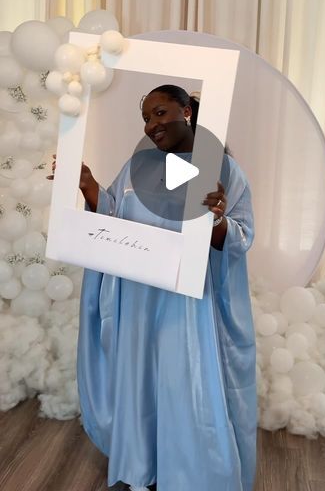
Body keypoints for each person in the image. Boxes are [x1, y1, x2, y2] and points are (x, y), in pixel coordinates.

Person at [51, 84, 256, 491]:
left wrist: (215, 219)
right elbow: (114, 216)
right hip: (139, 298)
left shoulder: (224, 173)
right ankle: (141, 467)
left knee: (182, 383)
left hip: (188, 304)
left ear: (186, 111)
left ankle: (190, 474)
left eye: (160, 113)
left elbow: (240, 236)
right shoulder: (136, 168)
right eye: (146, 118)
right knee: (141, 381)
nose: (151, 124)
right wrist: (89, 187)